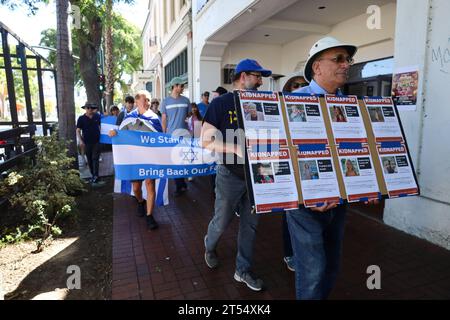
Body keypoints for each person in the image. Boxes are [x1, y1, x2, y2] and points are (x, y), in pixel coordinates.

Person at [289, 36, 379, 299]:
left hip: (338, 203)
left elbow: (360, 148)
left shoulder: (350, 106)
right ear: (317, 67)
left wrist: (371, 185)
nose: (345, 64)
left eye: (347, 59)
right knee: (312, 269)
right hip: (305, 205)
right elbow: (277, 156)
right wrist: (306, 196)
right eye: (338, 59)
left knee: (331, 265)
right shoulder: (291, 102)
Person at [200, 58, 272, 292]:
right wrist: (234, 148)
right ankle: (210, 245)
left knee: (250, 226)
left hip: (258, 174)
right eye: (257, 76)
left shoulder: (263, 103)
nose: (261, 81)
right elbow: (205, 141)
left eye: (262, 77)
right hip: (229, 175)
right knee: (221, 222)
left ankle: (242, 270)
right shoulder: (220, 103)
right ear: (243, 77)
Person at [108, 90, 162, 230]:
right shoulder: (128, 118)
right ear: (137, 101)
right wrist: (114, 133)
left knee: (150, 184)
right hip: (135, 159)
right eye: (145, 100)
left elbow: (161, 138)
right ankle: (140, 201)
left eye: (149, 100)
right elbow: (120, 134)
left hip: (151, 158)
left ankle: (150, 216)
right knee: (136, 188)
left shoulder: (155, 118)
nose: (148, 103)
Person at [280, 72, 309, 272]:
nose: (299, 88)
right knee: (290, 213)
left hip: (308, 170)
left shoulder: (312, 111)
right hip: (289, 170)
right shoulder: (280, 112)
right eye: (295, 85)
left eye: (303, 85)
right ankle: (289, 253)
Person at [160, 77, 191, 197]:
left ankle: (181, 183)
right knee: (175, 160)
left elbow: (188, 115)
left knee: (183, 159)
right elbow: (164, 119)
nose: (183, 88)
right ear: (175, 86)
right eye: (181, 86)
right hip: (172, 135)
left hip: (184, 135)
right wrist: (164, 135)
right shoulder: (165, 101)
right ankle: (180, 185)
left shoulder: (186, 100)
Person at [76, 102, 101, 184]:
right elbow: (78, 130)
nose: (90, 109)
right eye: (88, 108)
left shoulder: (97, 116)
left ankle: (96, 176)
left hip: (97, 141)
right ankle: (93, 175)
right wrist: (80, 141)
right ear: (85, 109)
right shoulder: (81, 118)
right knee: (89, 159)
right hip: (86, 142)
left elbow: (102, 126)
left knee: (95, 158)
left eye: (91, 108)